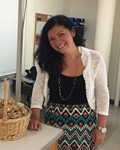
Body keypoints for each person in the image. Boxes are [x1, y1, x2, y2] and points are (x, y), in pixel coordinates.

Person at [28, 15, 109, 150]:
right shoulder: (46, 61)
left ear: (72, 32)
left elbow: (102, 94)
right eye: (51, 39)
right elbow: (38, 90)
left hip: (84, 126)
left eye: (61, 34)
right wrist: (35, 117)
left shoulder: (95, 58)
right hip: (53, 124)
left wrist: (101, 128)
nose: (57, 41)